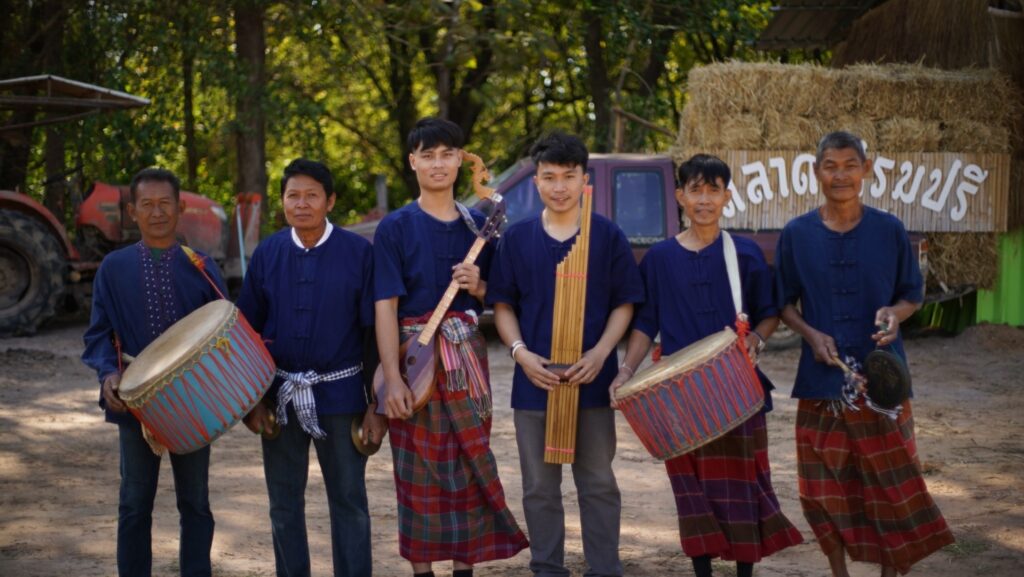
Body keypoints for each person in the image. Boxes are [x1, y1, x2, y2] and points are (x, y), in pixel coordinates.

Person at [610, 154, 803, 577]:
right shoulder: (659, 259)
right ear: (680, 196)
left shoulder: (746, 253)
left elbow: (768, 311)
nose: (704, 199)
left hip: (739, 393)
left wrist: (757, 337)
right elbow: (646, 322)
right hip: (680, 397)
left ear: (726, 197)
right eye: (695, 190)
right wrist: (626, 371)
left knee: (743, 488)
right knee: (691, 490)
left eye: (713, 190)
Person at [774, 131, 955, 577]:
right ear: (815, 172)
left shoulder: (890, 229)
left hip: (884, 383)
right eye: (830, 166)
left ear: (866, 169)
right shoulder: (796, 234)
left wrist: (895, 315)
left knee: (889, 489)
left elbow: (911, 295)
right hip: (822, 384)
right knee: (822, 491)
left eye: (849, 164)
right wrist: (811, 334)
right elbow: (782, 303)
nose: (840, 174)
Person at [374, 117, 528, 577]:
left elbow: (502, 300)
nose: (438, 164)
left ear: (461, 160)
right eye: (428, 155)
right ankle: (423, 572)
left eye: (447, 154)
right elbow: (385, 306)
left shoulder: (480, 225)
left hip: (465, 361)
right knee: (416, 474)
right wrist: (393, 379)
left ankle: (466, 570)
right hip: (414, 360)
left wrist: (480, 286)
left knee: (468, 468)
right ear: (412, 162)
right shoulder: (394, 227)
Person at [488, 131, 643, 577]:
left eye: (568, 177)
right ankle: (547, 568)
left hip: (590, 381)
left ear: (583, 180)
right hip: (534, 382)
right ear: (535, 181)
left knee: (597, 483)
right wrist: (520, 353)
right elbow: (503, 306)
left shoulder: (607, 236)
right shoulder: (516, 239)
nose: (559, 186)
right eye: (549, 177)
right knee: (539, 487)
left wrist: (600, 353)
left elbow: (625, 303)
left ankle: (604, 569)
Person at [238, 159, 385, 577]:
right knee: (283, 504)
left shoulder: (359, 253)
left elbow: (374, 333)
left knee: (349, 502)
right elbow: (245, 331)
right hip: (278, 398)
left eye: (311, 195)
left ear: (330, 201)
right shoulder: (268, 252)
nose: (301, 204)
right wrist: (253, 401)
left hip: (341, 398)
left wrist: (378, 405)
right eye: (292, 195)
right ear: (282, 201)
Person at [82, 168, 225, 577]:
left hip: (193, 406)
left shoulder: (201, 266)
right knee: (133, 503)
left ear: (180, 209)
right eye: (147, 204)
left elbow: (224, 330)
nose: (157, 212)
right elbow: (98, 335)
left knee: (195, 502)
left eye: (165, 204)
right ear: (132, 211)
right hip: (135, 404)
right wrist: (108, 375)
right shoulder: (113, 267)